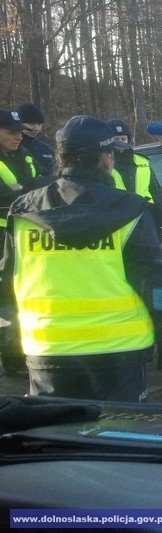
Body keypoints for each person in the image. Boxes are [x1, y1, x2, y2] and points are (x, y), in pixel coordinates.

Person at [0, 115, 162, 402]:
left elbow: (8, 281)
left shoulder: (25, 211)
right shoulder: (130, 209)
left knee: (59, 440)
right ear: (106, 159)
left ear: (61, 158)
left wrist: (12, 343)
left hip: (47, 348)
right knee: (120, 439)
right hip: (120, 350)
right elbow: (154, 282)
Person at [0, 109, 45, 377]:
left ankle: (27, 351)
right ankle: (12, 359)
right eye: (10, 132)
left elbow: (43, 185)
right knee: (6, 301)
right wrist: (26, 190)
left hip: (26, 237)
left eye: (19, 132)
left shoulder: (26, 155)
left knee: (27, 295)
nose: (18, 137)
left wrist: (21, 191)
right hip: (2, 239)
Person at [106, 119, 162, 238]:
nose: (120, 143)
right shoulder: (103, 164)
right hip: (117, 224)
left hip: (145, 220)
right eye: (116, 139)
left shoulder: (142, 161)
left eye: (123, 139)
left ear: (128, 140)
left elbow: (156, 194)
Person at [15, 103, 55, 177]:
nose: (36, 128)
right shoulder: (9, 146)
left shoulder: (47, 149)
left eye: (39, 124)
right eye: (31, 124)